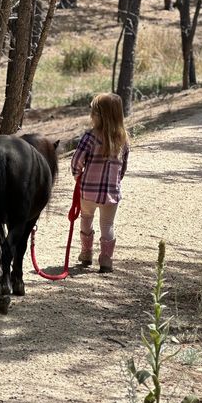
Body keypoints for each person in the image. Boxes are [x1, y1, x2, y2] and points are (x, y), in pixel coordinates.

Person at [70, 92, 129, 273]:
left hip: (88, 191)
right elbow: (123, 167)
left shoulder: (90, 137)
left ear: (98, 115)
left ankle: (86, 253)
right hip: (111, 193)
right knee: (107, 225)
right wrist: (115, 181)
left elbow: (77, 161)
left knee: (86, 219)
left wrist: (76, 174)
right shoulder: (123, 139)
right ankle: (106, 260)